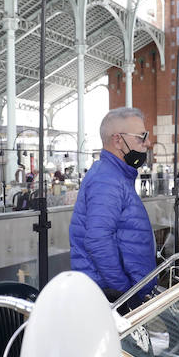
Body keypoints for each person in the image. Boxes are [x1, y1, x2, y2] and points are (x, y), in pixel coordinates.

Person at [70, 107, 157, 305]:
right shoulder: (106, 180)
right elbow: (97, 240)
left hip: (118, 293)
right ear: (118, 140)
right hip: (112, 297)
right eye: (141, 137)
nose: (148, 143)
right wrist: (125, 292)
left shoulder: (116, 176)